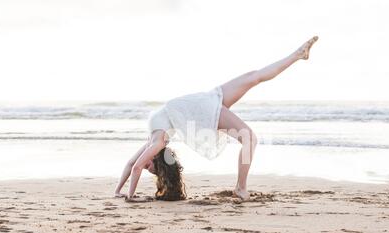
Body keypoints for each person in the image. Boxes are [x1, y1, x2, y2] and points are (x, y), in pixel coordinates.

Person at [115, 36, 319, 201]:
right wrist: (127, 194)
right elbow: (134, 165)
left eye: (149, 167)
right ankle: (241, 188)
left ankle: (298, 54)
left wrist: (124, 194)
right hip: (202, 108)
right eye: (153, 169)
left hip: (204, 102)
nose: (147, 166)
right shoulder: (157, 140)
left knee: (253, 77)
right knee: (249, 138)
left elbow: (134, 165)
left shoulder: (156, 141)